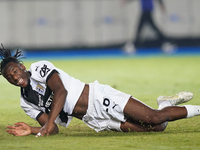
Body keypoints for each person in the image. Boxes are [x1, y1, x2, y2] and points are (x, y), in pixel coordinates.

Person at [1, 46, 199, 137]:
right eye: (9, 78)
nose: (14, 77)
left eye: (14, 71)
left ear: (22, 66)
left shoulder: (38, 68)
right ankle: (165, 103)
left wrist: (49, 122)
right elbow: (51, 129)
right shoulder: (25, 102)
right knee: (157, 128)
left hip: (99, 98)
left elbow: (61, 91)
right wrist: (32, 130)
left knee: (154, 118)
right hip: (94, 120)